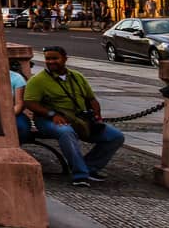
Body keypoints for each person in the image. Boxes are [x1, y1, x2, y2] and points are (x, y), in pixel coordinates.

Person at [23, 46, 125, 186]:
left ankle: (90, 167)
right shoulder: (38, 80)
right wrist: (52, 114)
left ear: (65, 59)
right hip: (49, 120)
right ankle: (80, 174)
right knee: (66, 132)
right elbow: (30, 102)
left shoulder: (77, 77)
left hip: (80, 119)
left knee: (115, 136)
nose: (51, 61)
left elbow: (91, 99)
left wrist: (97, 117)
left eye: (55, 58)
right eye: (48, 59)